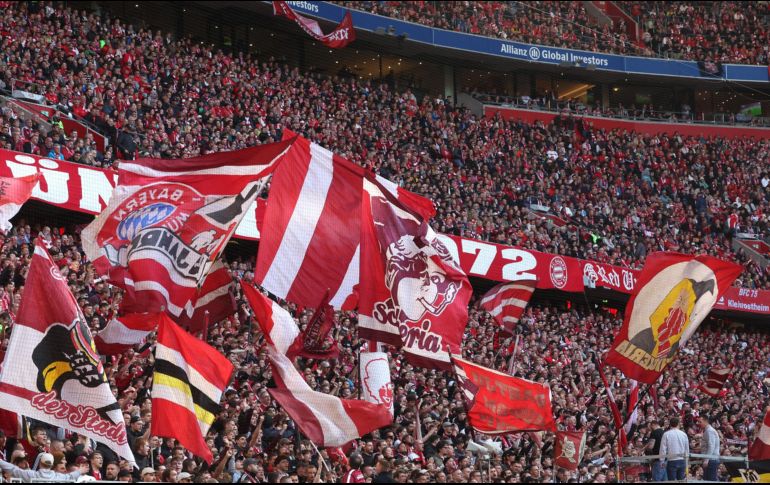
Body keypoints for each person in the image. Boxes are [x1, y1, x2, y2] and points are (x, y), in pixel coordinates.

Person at [0, 452, 87, 482]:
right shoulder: (59, 477)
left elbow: (13, 469)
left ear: (40, 464)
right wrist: (80, 471)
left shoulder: (31, 475)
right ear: (52, 465)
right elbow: (71, 476)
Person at [660, 417, 689, 481]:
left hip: (671, 460)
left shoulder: (666, 434)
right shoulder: (683, 434)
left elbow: (663, 448)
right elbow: (687, 448)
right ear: (678, 424)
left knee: (671, 481)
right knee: (681, 481)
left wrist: (662, 460)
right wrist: (686, 460)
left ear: (670, 424)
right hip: (682, 460)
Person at [700, 415, 720, 481]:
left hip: (711, 460)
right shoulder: (708, 430)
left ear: (705, 421)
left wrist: (706, 460)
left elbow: (711, 446)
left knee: (710, 480)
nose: (699, 423)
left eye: (700, 422)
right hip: (710, 459)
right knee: (707, 480)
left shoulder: (709, 431)